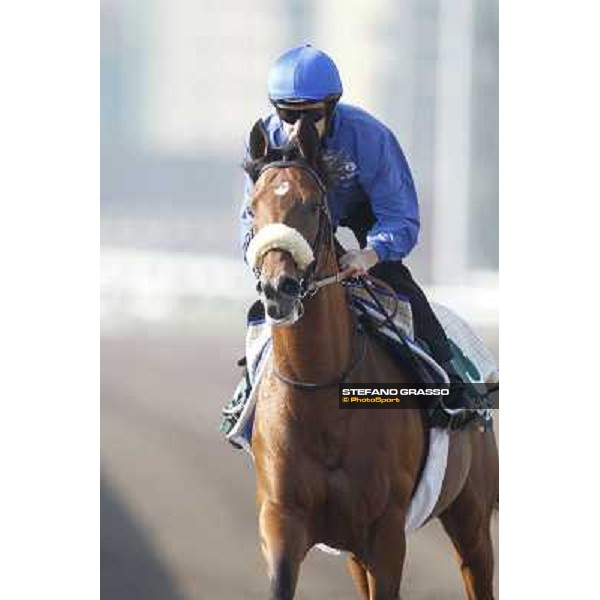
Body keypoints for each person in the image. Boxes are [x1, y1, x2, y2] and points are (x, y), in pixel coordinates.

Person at [221, 44, 476, 438]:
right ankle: (249, 389)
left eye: (310, 116)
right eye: (287, 114)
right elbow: (250, 217)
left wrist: (370, 254)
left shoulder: (369, 137)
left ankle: (449, 383)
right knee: (270, 299)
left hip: (364, 215)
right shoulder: (264, 139)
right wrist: (264, 258)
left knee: (401, 285)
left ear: (333, 107)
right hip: (300, 223)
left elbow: (400, 215)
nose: (295, 127)